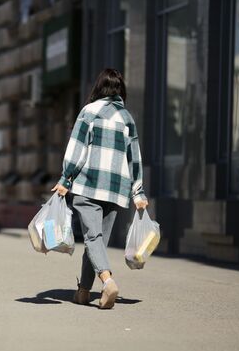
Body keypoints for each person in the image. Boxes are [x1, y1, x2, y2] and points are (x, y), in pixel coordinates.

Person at [51, 68, 148, 309]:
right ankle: (83, 291)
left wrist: (66, 179)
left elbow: (77, 148)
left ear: (99, 87)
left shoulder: (89, 112)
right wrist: (138, 191)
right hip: (115, 190)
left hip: (88, 185)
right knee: (97, 240)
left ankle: (107, 280)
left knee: (92, 237)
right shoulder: (127, 118)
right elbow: (134, 157)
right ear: (120, 90)